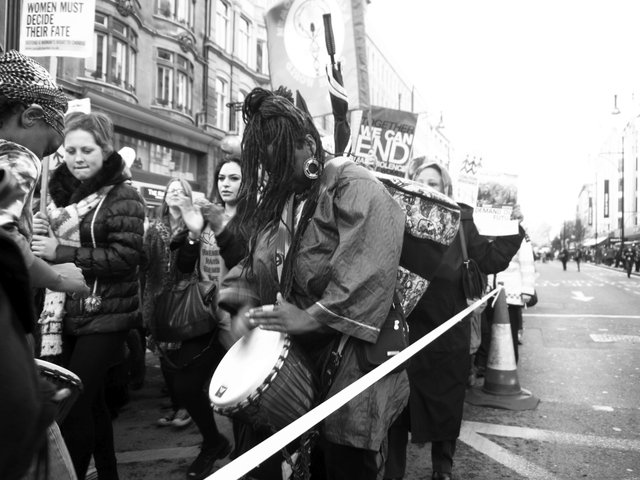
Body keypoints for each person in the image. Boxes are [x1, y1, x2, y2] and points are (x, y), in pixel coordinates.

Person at [218, 87, 408, 480]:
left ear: (308, 145)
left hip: (354, 358)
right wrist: (244, 307)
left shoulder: (353, 185)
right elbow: (259, 264)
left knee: (344, 461)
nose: (274, 174)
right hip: (308, 354)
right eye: (267, 166)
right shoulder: (291, 199)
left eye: (281, 161)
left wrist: (308, 319)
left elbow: (368, 269)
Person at [384, 160, 525, 480]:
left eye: (433, 182)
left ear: (446, 190)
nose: (426, 187)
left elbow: (490, 259)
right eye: (420, 181)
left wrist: (513, 227)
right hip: (404, 330)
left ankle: (442, 469)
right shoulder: (395, 216)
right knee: (394, 407)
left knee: (446, 404)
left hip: (448, 332)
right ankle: (393, 472)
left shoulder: (462, 222)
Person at [31, 111, 145, 480]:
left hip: (107, 313)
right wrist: (37, 228)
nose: (78, 158)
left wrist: (60, 252)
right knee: (93, 404)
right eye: (70, 150)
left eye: (87, 149)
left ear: (105, 149)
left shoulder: (124, 195)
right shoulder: (51, 197)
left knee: (73, 404)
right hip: (63, 312)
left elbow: (127, 258)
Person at [142, 177, 232, 480]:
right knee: (185, 386)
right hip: (205, 314)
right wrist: (193, 235)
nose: (227, 184)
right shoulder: (200, 220)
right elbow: (182, 267)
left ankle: (253, 457)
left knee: (241, 395)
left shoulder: (254, 220)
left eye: (235, 178)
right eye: (222, 178)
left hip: (241, 316)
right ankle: (213, 442)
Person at [487, 232, 536, 360]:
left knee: (509, 334)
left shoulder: (520, 234)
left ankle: (511, 363)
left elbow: (527, 263)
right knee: (490, 333)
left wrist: (527, 290)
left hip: (510, 293)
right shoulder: (488, 228)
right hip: (490, 292)